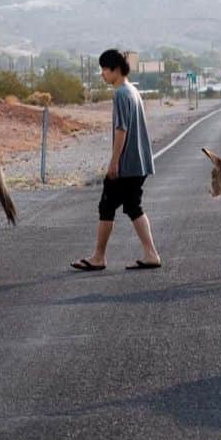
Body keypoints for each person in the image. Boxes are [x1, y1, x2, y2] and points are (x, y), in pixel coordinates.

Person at [71, 48, 162, 272]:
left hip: (127, 165)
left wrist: (114, 162)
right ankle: (151, 254)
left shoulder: (122, 93)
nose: (102, 73)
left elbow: (121, 130)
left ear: (116, 69)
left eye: (105, 69)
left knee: (107, 206)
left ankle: (98, 257)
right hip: (139, 163)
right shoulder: (133, 91)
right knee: (132, 206)